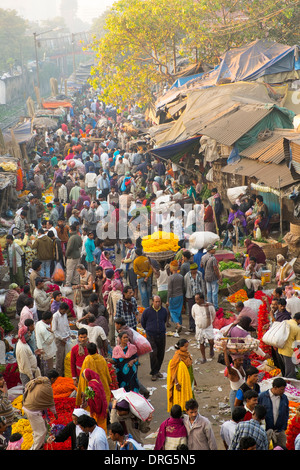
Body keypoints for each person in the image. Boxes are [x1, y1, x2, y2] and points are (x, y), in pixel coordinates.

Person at [76, 342, 112, 422]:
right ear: (96, 350)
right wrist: (109, 381)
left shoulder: (87, 360)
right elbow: (106, 373)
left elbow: (84, 377)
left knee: (93, 406)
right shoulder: (102, 358)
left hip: (92, 387)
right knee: (103, 404)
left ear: (87, 351)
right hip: (103, 385)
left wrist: (83, 391)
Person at [22, 376, 58, 450]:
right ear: (52, 379)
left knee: (37, 431)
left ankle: (38, 445)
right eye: (55, 380)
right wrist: (55, 414)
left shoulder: (38, 381)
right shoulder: (47, 387)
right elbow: (51, 404)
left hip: (26, 407)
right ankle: (34, 448)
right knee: (42, 432)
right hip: (33, 411)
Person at [141, 295, 168, 381]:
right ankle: (153, 372)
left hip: (161, 335)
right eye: (156, 302)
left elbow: (164, 320)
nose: (158, 303)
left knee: (161, 353)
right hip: (151, 335)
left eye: (159, 301)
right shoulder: (147, 311)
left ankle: (157, 371)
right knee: (153, 354)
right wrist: (149, 329)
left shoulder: (164, 311)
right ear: (152, 302)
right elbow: (143, 322)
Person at [258, 377, 290, 449]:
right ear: (275, 387)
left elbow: (286, 412)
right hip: (266, 431)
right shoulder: (263, 397)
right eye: (281, 389)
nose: (283, 391)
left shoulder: (284, 398)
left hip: (279, 431)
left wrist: (283, 426)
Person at [167, 339, 195, 412]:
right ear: (180, 347)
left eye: (187, 346)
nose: (187, 348)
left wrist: (193, 379)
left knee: (190, 393)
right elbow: (173, 370)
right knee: (182, 395)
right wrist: (176, 383)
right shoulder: (177, 356)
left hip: (189, 378)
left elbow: (190, 367)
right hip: (181, 380)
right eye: (185, 347)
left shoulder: (187, 354)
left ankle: (190, 410)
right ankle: (182, 411)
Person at [79, 368, 110, 432]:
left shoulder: (92, 384)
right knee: (102, 423)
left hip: (97, 407)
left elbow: (95, 396)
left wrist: (86, 397)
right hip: (102, 404)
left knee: (98, 423)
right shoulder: (96, 380)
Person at [52, 302, 75, 376]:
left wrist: (70, 334)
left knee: (66, 358)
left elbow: (67, 326)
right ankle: (59, 376)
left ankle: (65, 375)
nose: (65, 313)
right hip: (59, 340)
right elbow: (54, 331)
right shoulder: (55, 316)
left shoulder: (64, 315)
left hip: (66, 339)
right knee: (59, 360)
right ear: (60, 309)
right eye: (64, 311)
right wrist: (62, 339)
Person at [191, 292, 216, 362]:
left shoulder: (210, 306)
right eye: (195, 300)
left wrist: (208, 322)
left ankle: (211, 349)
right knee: (201, 343)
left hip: (208, 327)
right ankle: (203, 357)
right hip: (199, 327)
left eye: (197, 299)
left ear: (202, 299)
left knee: (211, 341)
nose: (196, 301)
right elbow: (193, 315)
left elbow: (213, 315)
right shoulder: (194, 307)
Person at [15, 325, 41, 390]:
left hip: (29, 372)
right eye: (28, 333)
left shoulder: (24, 343)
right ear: (24, 335)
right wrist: (31, 377)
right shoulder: (22, 348)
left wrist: (34, 353)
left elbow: (27, 357)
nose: (29, 334)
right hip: (27, 374)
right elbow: (25, 364)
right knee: (28, 392)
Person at [222, 343, 245, 412]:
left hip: (242, 393)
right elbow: (228, 365)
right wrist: (225, 351)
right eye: (239, 360)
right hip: (235, 394)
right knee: (235, 413)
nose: (242, 362)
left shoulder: (240, 368)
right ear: (234, 360)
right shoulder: (233, 371)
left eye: (242, 360)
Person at [277, 312, 300, 378]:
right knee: (290, 373)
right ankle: (289, 387)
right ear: (299, 320)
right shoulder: (297, 328)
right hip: (288, 352)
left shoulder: (285, 322)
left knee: (285, 370)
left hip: (280, 349)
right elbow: (298, 343)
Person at [184, 263, 205, 332]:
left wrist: (203, 294)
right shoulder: (187, 276)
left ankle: (198, 325)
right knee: (191, 311)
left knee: (199, 310)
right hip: (191, 296)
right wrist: (186, 296)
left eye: (196, 269)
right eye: (193, 270)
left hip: (199, 295)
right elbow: (186, 286)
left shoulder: (200, 274)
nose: (195, 271)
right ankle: (192, 326)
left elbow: (202, 284)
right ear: (191, 270)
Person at [201, 244, 221, 310]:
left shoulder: (203, 257)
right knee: (214, 292)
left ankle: (209, 304)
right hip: (213, 277)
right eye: (213, 249)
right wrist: (219, 277)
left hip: (206, 276)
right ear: (210, 250)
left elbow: (201, 265)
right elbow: (215, 269)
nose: (215, 250)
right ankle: (215, 306)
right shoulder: (213, 258)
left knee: (209, 291)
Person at [35, 311, 56, 376]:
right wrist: (52, 333)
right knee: (48, 370)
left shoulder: (38, 323)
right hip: (47, 352)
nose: (52, 320)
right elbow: (48, 341)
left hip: (42, 350)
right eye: (51, 318)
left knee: (44, 368)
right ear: (48, 319)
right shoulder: (44, 329)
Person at [167, 260, 184, 335]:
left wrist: (167, 300)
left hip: (173, 296)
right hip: (180, 296)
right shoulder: (181, 276)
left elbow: (170, 290)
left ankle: (178, 324)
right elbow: (183, 287)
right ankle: (179, 325)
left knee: (172, 311)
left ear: (172, 268)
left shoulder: (171, 278)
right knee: (179, 311)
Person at [0, 373, 15, 443]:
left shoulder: (2, 390)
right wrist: (5, 393)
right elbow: (2, 407)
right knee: (5, 443)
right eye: (1, 380)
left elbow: (6, 403)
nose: (4, 381)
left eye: (3, 379)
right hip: (2, 427)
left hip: (7, 424)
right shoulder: (3, 392)